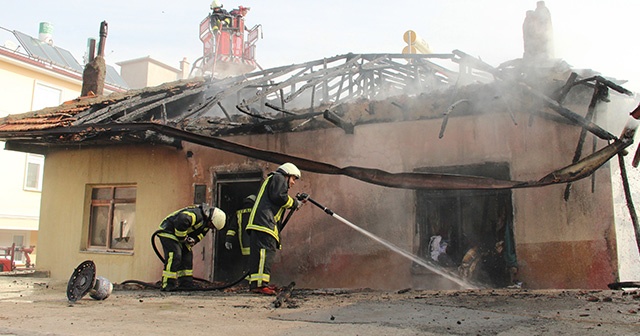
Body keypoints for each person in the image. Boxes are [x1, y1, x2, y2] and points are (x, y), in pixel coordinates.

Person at [246, 163, 304, 295]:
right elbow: (279, 197)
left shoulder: (273, 179)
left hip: (262, 223)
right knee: (264, 254)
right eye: (293, 179)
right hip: (264, 224)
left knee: (261, 255)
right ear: (287, 174)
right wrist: (295, 203)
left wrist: (295, 203)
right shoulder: (279, 177)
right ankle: (260, 285)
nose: (293, 183)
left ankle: (257, 284)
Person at [157, 203, 226, 291]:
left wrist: (193, 240)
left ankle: (185, 284)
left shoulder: (206, 224)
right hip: (168, 231)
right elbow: (182, 219)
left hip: (180, 236)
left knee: (187, 257)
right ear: (211, 219)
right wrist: (182, 238)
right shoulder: (196, 215)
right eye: (212, 225)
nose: (211, 228)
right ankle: (168, 284)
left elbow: (201, 234)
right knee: (175, 255)